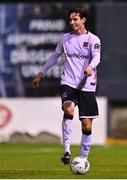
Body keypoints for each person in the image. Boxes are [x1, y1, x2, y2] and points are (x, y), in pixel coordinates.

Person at [32, 6, 101, 165]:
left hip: (87, 84)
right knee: (68, 108)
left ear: (83, 20)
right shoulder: (65, 39)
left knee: (86, 124)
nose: (72, 22)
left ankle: (83, 158)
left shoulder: (93, 40)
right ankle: (67, 150)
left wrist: (90, 67)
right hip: (68, 82)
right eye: (70, 19)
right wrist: (41, 73)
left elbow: (96, 57)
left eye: (75, 19)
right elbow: (55, 56)